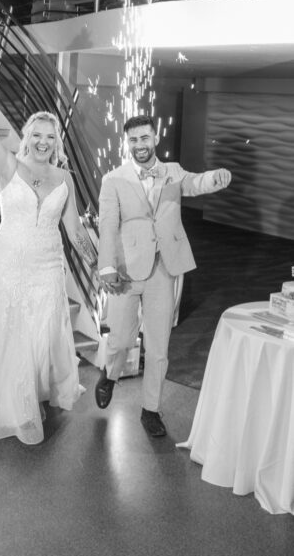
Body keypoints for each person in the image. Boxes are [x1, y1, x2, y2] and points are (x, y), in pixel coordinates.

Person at [0, 67, 97, 445]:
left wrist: (99, 264)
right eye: (37, 134)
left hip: (48, 263)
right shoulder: (8, 166)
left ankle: (34, 391)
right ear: (26, 136)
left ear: (56, 142)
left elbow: (74, 230)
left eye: (51, 136)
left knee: (42, 329)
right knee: (13, 326)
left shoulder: (64, 180)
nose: (44, 141)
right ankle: (16, 406)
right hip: (11, 260)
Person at [96, 114, 232, 437]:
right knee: (121, 339)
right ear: (127, 142)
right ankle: (109, 373)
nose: (140, 145)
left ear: (155, 138)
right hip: (127, 269)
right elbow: (107, 225)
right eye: (133, 140)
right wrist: (107, 268)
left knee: (159, 344)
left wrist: (215, 178)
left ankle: (151, 410)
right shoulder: (113, 179)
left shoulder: (172, 171)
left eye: (145, 138)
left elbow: (194, 183)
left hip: (164, 269)